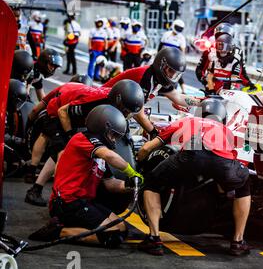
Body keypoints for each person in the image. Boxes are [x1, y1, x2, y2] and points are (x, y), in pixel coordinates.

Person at [136, 98, 251, 256]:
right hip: (221, 162)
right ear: (222, 117)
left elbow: (147, 147)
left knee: (151, 183)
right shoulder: (226, 130)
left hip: (191, 155)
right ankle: (238, 242)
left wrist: (139, 164)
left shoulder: (188, 120)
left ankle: (154, 240)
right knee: (243, 184)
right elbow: (228, 162)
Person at [29, 105, 143, 248]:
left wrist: (132, 185)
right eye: (113, 135)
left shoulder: (99, 155)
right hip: (68, 203)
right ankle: (59, 231)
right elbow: (109, 155)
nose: (114, 141)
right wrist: (131, 171)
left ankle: (75, 227)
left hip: (84, 202)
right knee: (112, 236)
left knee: (122, 229)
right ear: (103, 127)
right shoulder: (83, 139)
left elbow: (110, 183)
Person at [103, 47, 201, 108]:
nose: (172, 76)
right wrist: (153, 131)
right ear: (161, 64)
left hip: (114, 108)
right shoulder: (145, 76)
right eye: (171, 70)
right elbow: (137, 110)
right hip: (104, 103)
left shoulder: (158, 79)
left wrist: (201, 103)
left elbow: (178, 97)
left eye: (176, 73)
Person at [195, 23, 255, 95]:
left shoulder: (238, 53)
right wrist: (204, 80)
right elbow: (200, 69)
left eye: (225, 36)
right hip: (212, 89)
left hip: (230, 92)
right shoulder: (209, 51)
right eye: (219, 36)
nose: (222, 38)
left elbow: (242, 73)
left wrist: (249, 84)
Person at [158, 19, 187, 93]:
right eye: (177, 27)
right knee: (160, 72)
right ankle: (158, 88)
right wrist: (158, 55)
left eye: (180, 28)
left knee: (177, 74)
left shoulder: (181, 38)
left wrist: (181, 60)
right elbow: (160, 46)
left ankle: (184, 90)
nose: (178, 29)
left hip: (174, 59)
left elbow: (183, 51)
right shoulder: (166, 34)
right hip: (164, 57)